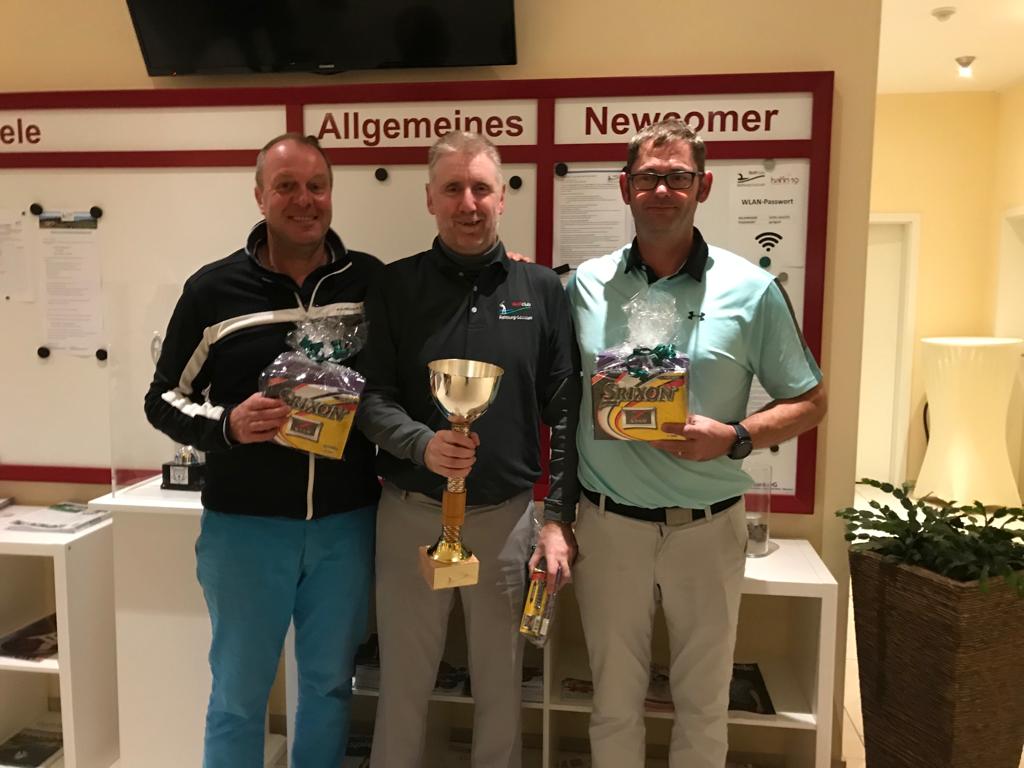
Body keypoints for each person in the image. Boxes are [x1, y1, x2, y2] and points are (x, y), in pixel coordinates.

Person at [565, 119, 827, 768]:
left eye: (678, 176)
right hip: (609, 525)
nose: (662, 189)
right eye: (649, 177)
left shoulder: (752, 289)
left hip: (707, 530)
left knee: (704, 707)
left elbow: (811, 401)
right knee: (613, 704)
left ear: (703, 187)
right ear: (625, 187)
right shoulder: (584, 286)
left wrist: (736, 437)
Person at [144, 133, 382, 768]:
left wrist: (505, 267)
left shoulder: (370, 282)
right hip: (245, 530)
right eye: (286, 186)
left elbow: (432, 320)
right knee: (238, 697)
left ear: (331, 194)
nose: (304, 200)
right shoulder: (213, 290)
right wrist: (227, 424)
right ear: (259, 197)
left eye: (316, 186)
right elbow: (162, 398)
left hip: (345, 525)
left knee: (330, 688)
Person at [357, 131, 578, 768]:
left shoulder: (541, 290)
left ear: (503, 197)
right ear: (430, 199)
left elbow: (566, 413)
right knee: (402, 686)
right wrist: (422, 445)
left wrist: (556, 519)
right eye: (452, 188)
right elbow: (370, 399)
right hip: (409, 515)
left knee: (501, 688)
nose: (468, 203)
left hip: (506, 521)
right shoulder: (394, 287)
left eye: (481, 188)